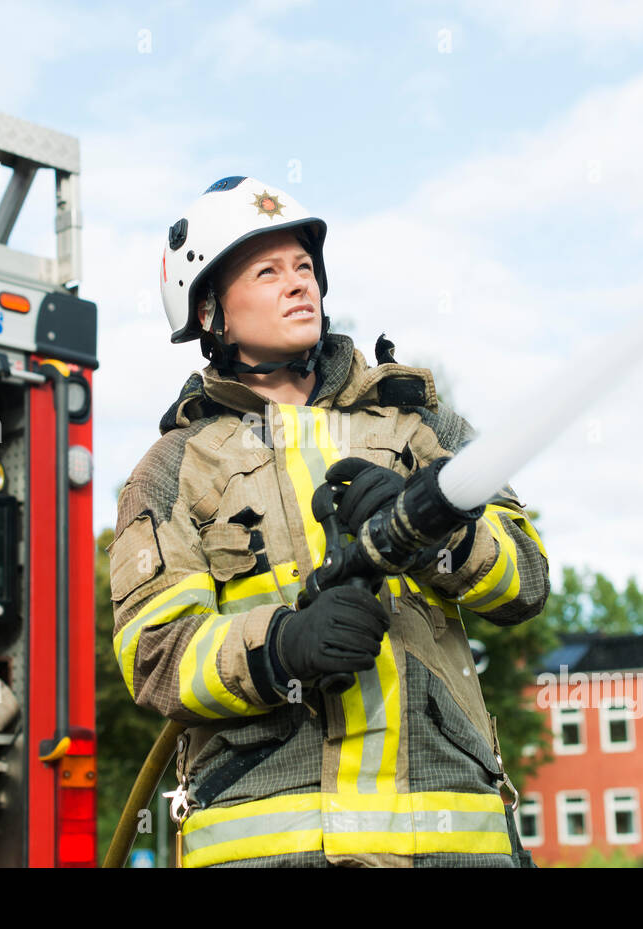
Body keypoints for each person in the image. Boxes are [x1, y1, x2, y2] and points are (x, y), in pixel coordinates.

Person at [108, 175, 550, 867]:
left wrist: (441, 537)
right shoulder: (171, 469)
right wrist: (280, 647)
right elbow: (156, 657)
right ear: (208, 314)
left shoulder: (422, 426)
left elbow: (527, 581)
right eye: (267, 270)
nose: (298, 284)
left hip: (449, 844)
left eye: (305, 267)